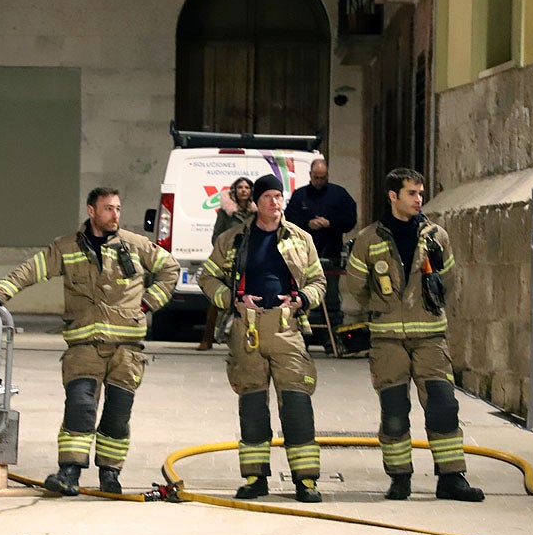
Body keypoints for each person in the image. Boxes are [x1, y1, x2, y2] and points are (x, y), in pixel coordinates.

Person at [0, 187, 179, 496]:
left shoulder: (135, 245)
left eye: (118, 208)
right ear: (91, 211)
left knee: (117, 417)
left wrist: (147, 304)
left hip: (127, 350)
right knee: (79, 408)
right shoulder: (65, 247)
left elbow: (170, 268)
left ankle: (110, 475)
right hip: (84, 347)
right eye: (108, 208)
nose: (115, 214)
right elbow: (30, 270)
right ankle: (69, 473)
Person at [344, 168, 484, 502]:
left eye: (421, 193)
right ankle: (400, 478)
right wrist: (384, 309)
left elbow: (448, 281)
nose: (418, 200)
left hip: (431, 338)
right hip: (388, 340)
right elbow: (354, 286)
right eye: (411, 193)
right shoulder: (369, 239)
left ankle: (451, 478)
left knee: (443, 406)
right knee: (393, 411)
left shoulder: (436, 236)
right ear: (393, 196)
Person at [198, 174, 326, 503]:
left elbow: (318, 280)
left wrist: (302, 300)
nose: (275, 202)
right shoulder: (234, 239)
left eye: (279, 196)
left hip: (288, 329)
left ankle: (306, 480)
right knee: (253, 406)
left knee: (297, 405)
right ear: (255, 202)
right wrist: (231, 300)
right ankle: (256, 478)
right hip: (248, 330)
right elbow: (207, 276)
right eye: (268, 196)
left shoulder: (300, 238)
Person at [284, 159, 357, 343]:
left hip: (330, 254)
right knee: (303, 295)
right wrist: (307, 224)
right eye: (316, 177)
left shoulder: (339, 194)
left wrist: (330, 223)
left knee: (330, 297)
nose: (319, 181)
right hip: (302, 256)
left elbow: (350, 219)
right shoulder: (300, 195)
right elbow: (288, 220)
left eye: (322, 178)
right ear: (310, 175)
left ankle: (329, 339)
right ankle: (302, 338)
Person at [198, 177, 255, 351]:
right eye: (240, 187)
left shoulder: (256, 213)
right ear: (234, 190)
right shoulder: (225, 212)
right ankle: (207, 339)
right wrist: (227, 248)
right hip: (227, 261)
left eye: (246, 187)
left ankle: (247, 341)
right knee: (216, 301)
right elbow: (216, 236)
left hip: (249, 260)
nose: (243, 190)